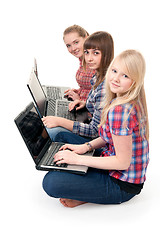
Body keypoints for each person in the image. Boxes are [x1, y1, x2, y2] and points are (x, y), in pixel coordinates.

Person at [42, 49, 150, 208]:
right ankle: (87, 186)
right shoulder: (122, 98)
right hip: (111, 158)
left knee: (50, 183)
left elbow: (122, 163)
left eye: (125, 75)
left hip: (122, 184)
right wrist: (85, 147)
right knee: (62, 138)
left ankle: (91, 192)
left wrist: (77, 159)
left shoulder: (121, 111)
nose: (116, 78)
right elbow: (109, 138)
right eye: (114, 71)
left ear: (135, 81)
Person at [42, 31, 114, 143]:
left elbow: (94, 131)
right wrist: (84, 103)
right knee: (45, 121)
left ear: (107, 53)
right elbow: (99, 104)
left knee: (52, 131)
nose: (89, 58)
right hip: (90, 123)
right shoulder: (97, 76)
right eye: (86, 52)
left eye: (95, 53)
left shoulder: (105, 85)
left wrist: (60, 121)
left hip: (97, 141)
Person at [63, 24, 95, 101]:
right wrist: (78, 92)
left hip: (89, 110)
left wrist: (80, 100)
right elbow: (90, 88)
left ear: (86, 38)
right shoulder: (82, 59)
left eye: (76, 42)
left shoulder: (95, 61)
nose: (73, 48)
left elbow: (101, 98)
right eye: (68, 45)